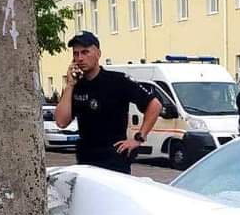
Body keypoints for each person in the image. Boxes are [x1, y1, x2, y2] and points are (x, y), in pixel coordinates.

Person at [54, 32, 162, 172]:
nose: (80, 58)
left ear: (98, 53)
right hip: (86, 161)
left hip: (114, 161)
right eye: (76, 54)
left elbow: (155, 105)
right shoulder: (76, 86)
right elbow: (61, 122)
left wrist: (138, 138)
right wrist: (69, 85)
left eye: (85, 52)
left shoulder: (118, 81)